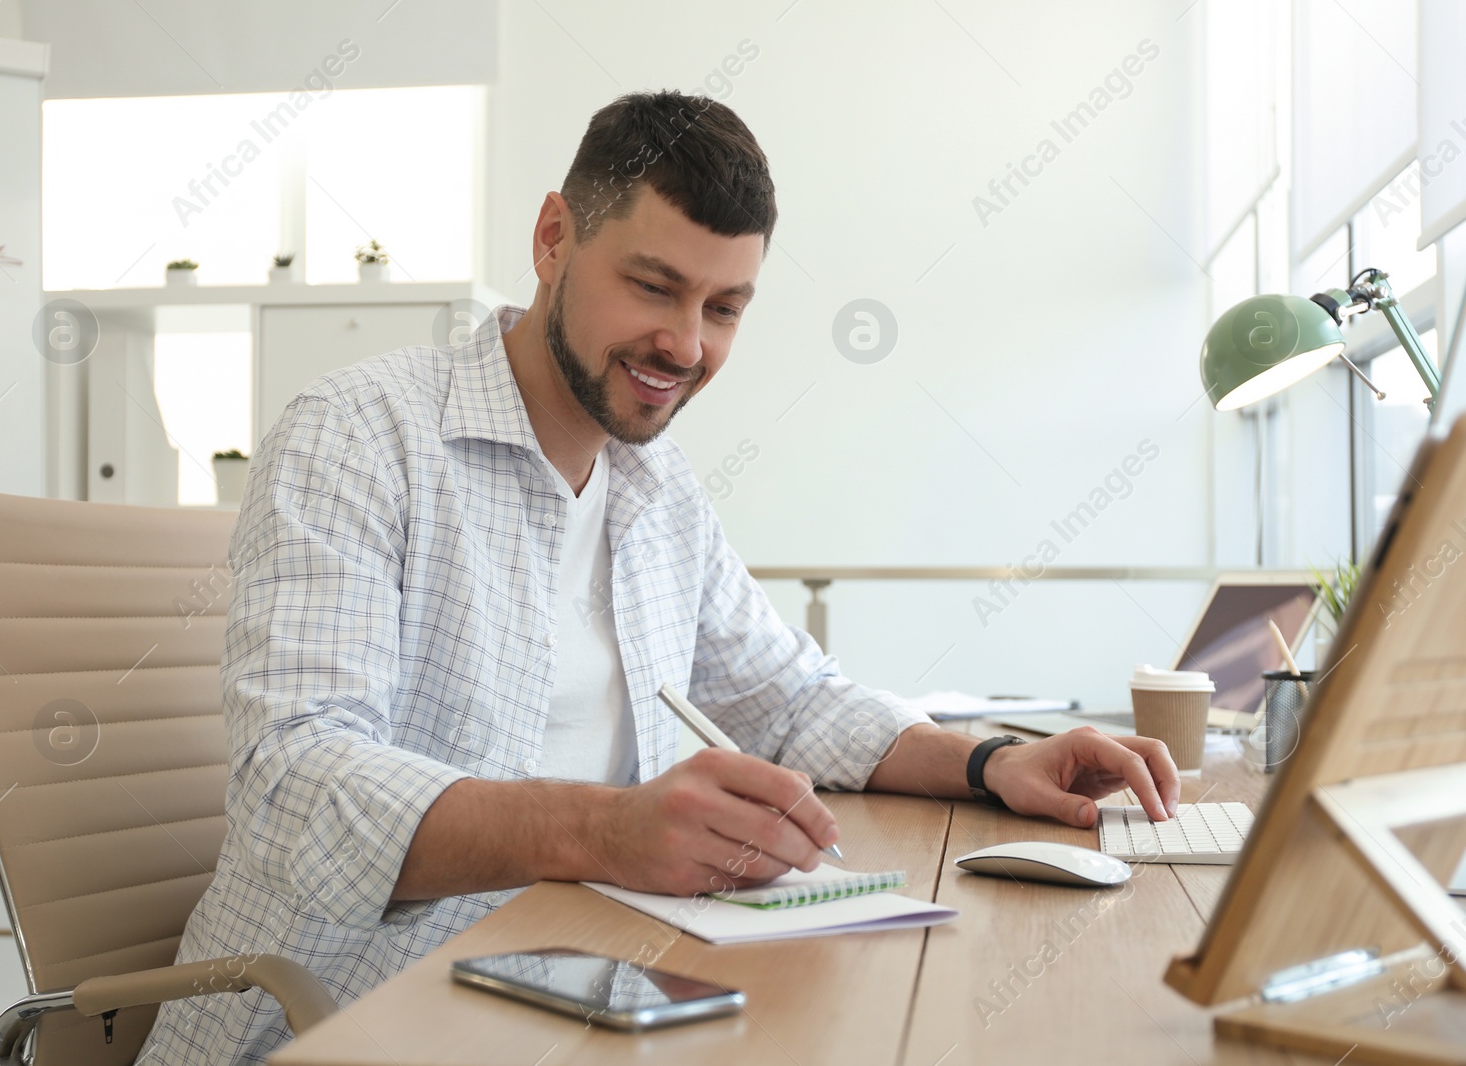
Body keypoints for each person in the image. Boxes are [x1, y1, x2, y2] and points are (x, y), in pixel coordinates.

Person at [138, 90, 1179, 1065]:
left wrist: (992, 761)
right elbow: (295, 782)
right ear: (553, 238)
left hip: (568, 975)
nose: (684, 344)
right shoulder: (359, 434)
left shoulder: (654, 482)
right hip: (329, 1014)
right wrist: (610, 827)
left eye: (724, 307)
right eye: (653, 286)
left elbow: (786, 695)